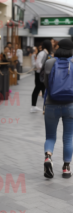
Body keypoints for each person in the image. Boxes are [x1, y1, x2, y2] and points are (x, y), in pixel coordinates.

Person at [43, 39, 73, 179]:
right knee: (68, 137)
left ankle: (48, 157)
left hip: (51, 103)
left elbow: (45, 83)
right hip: (70, 105)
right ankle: (66, 168)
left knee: (50, 136)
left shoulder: (50, 62)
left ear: (59, 47)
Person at [30, 39, 52, 112]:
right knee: (37, 89)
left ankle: (36, 106)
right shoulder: (42, 53)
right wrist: (45, 67)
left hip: (42, 74)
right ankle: (33, 106)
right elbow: (38, 64)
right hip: (40, 74)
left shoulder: (45, 53)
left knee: (41, 90)